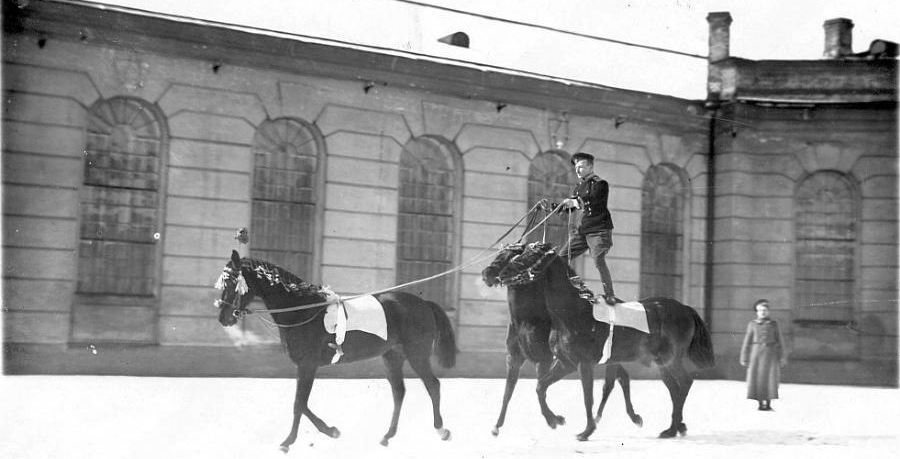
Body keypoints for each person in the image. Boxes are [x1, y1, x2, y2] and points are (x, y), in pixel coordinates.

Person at [557, 152, 617, 305]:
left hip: (598, 230)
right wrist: (558, 207)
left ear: (590, 167)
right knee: (561, 258)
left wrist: (575, 202)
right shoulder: (578, 187)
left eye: (581, 167)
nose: (578, 170)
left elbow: (595, 202)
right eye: (576, 167)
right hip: (582, 231)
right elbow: (574, 207)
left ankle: (610, 294)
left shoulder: (600, 184)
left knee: (598, 259)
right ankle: (577, 286)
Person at [740, 299, 788, 411]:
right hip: (756, 354)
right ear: (757, 312)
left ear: (768, 311)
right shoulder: (752, 324)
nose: (763, 312)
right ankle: (760, 403)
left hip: (771, 354)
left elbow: (780, 341)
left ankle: (769, 402)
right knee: (758, 378)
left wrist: (782, 357)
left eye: (765, 310)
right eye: (760, 310)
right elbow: (746, 342)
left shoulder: (774, 324)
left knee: (770, 378)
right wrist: (744, 357)